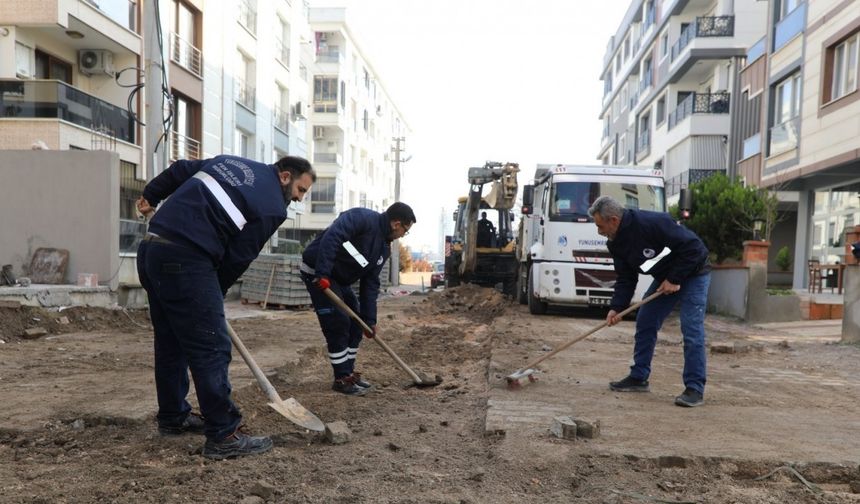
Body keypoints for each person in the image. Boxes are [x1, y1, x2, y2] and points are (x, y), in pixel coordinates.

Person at [136, 154, 315, 459]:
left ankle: (173, 417)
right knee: (212, 347)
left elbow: (180, 169)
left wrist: (151, 194)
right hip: (188, 258)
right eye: (300, 190)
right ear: (285, 177)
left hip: (153, 249)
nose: (298, 199)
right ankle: (224, 434)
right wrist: (211, 299)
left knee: (170, 342)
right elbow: (237, 258)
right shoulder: (273, 206)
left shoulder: (228, 162)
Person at [588, 195, 711, 408]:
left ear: (614, 220)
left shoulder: (653, 223)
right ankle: (638, 377)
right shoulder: (615, 243)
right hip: (666, 277)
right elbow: (626, 277)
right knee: (646, 320)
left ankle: (694, 388)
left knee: (691, 329)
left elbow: (694, 248)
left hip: (695, 272)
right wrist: (617, 307)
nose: (599, 231)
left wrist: (675, 278)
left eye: (600, 226)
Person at [300, 202, 416, 395]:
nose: (404, 234)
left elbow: (370, 284)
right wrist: (322, 273)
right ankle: (341, 378)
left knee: (357, 323)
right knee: (338, 322)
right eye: (406, 230)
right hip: (318, 272)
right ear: (396, 223)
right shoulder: (361, 218)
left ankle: (349, 372)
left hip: (339, 280)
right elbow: (333, 237)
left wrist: (370, 321)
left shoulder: (383, 248)